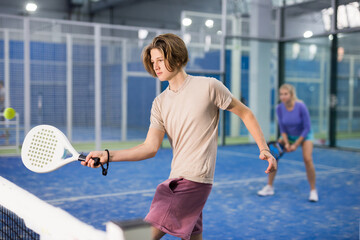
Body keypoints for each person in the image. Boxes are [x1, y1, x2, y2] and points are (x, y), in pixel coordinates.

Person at [82, 33, 277, 240]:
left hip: (193, 181)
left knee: (143, 236)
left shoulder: (209, 86)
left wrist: (264, 148)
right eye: (152, 61)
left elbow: (245, 112)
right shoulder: (159, 103)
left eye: (160, 60)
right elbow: (150, 147)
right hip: (176, 177)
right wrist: (107, 155)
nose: (155, 66)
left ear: (175, 56)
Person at [257, 83, 318, 202]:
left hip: (304, 135)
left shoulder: (301, 106)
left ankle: (313, 190)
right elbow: (283, 128)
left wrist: (295, 144)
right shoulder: (279, 108)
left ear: (291, 95)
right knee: (273, 155)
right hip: (288, 135)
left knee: (307, 159)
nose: (283, 96)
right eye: (281, 94)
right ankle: (269, 187)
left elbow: (307, 127)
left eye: (286, 94)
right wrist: (287, 143)